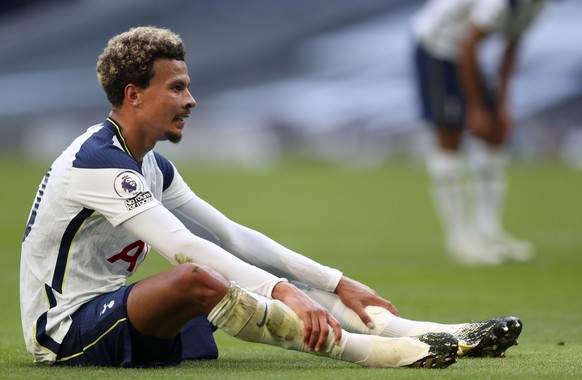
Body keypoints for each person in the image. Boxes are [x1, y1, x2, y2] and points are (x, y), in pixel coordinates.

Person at [20, 26, 522, 370]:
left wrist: (336, 281)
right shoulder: (97, 161)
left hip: (117, 313)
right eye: (177, 88)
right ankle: (372, 353)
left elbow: (231, 235)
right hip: (67, 332)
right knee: (197, 278)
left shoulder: (150, 162)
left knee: (241, 275)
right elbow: (187, 250)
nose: (191, 101)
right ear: (134, 95)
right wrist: (284, 291)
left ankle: (438, 332)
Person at [411, 0, 547, 265]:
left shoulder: (538, 4)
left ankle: (488, 233)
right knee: (449, 137)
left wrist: (501, 105)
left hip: (464, 53)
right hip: (437, 48)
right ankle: (459, 239)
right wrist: (475, 108)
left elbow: (511, 47)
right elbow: (470, 43)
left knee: (495, 134)